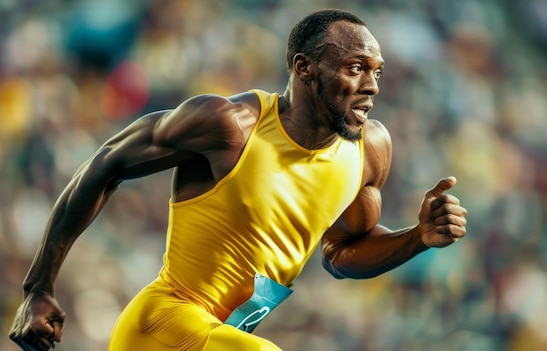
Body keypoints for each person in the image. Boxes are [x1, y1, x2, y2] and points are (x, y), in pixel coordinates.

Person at [9, 8, 468, 351]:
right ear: (304, 68)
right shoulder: (230, 125)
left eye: (377, 72)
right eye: (355, 68)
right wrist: (39, 288)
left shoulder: (369, 151)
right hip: (162, 327)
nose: (373, 86)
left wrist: (418, 239)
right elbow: (106, 163)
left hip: (225, 339)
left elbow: (341, 254)